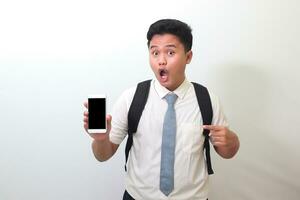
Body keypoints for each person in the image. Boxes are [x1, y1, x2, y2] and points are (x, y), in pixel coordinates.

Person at [83, 19, 240, 200]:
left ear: (188, 57)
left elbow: (227, 152)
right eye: (155, 52)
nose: (161, 61)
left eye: (170, 52)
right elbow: (102, 156)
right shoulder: (131, 98)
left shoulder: (207, 100)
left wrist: (232, 141)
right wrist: (101, 140)